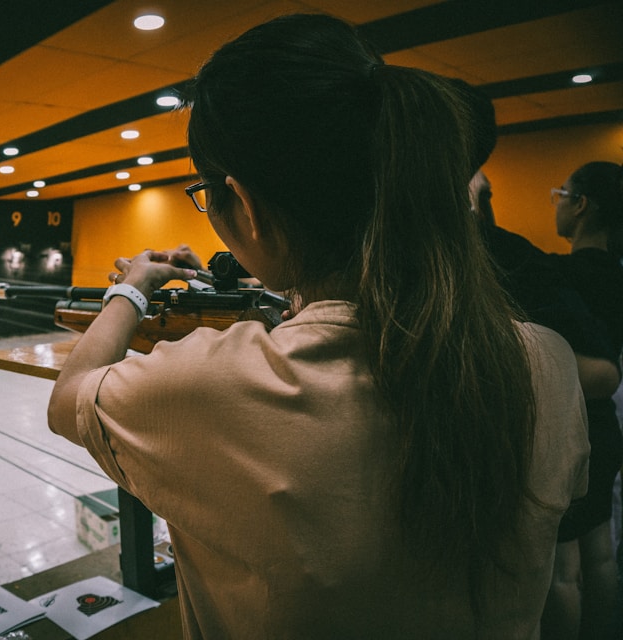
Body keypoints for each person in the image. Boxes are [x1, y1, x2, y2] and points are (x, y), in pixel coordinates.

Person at [46, 14, 589, 638]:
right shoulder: (549, 363)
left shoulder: (213, 385)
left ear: (244, 205)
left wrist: (130, 289)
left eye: (204, 192)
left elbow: (69, 398)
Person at [545, 161, 623, 640]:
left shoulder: (560, 276)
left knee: (562, 568)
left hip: (574, 423)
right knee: (602, 554)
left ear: (581, 205)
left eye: (561, 193)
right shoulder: (616, 273)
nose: (557, 203)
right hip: (609, 422)